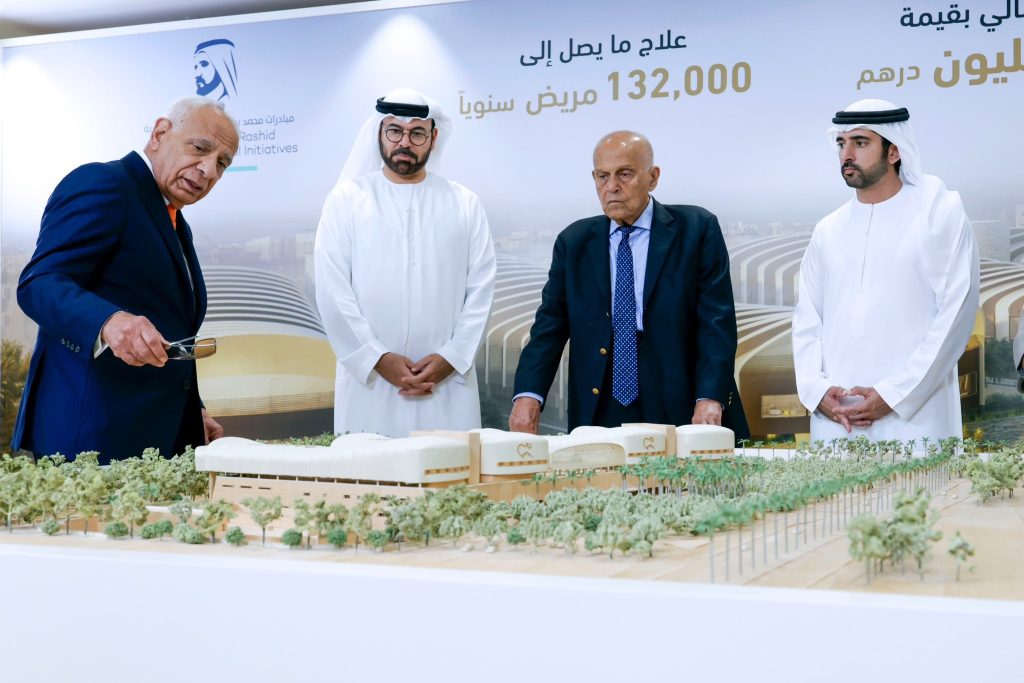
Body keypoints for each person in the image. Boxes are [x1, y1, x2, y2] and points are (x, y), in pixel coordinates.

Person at [13, 96, 239, 464]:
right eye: (200, 148)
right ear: (160, 134)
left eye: (222, 163)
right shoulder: (105, 183)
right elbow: (39, 283)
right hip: (90, 441)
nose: (209, 170)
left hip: (148, 440)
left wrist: (190, 409)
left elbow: (169, 328)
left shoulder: (174, 220)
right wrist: (108, 321)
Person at [509, 131, 748, 437]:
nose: (611, 187)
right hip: (599, 400)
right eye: (602, 176)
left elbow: (716, 323)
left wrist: (710, 397)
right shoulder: (574, 243)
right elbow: (549, 327)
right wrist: (528, 395)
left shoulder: (696, 230)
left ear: (653, 177)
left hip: (681, 397)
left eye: (624, 174)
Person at [792, 99, 979, 443]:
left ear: (894, 151)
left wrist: (895, 394)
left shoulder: (938, 213)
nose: (847, 154)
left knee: (923, 481)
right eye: (841, 143)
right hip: (838, 420)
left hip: (917, 419)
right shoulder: (827, 230)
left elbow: (956, 316)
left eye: (860, 142)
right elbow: (807, 320)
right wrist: (816, 391)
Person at [314, 88, 496, 437]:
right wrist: (377, 359)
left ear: (434, 137)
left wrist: (452, 357)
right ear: (379, 133)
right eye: (395, 131)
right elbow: (333, 290)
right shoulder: (346, 201)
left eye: (417, 133)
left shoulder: (465, 203)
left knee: (451, 468)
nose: (404, 142)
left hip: (447, 386)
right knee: (368, 468)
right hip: (370, 384)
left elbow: (481, 290)